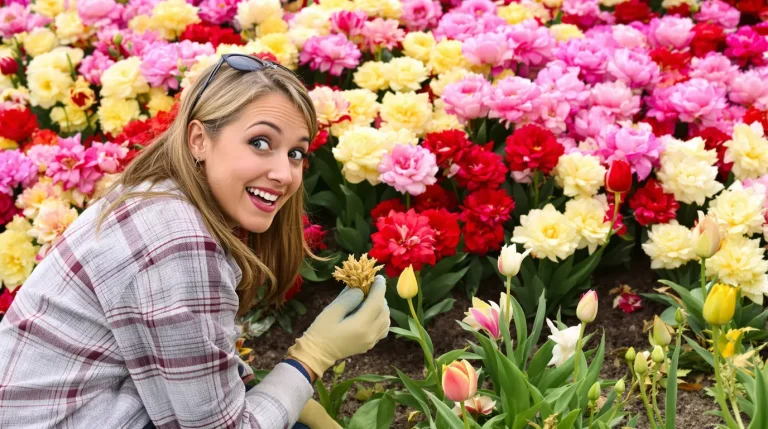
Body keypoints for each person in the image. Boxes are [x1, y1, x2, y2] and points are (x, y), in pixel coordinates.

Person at [0, 54, 391, 429]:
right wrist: (313, 357)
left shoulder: (156, 193)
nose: (284, 174)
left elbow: (191, 360)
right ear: (199, 139)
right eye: (260, 142)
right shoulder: (178, 242)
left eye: (295, 152)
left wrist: (273, 390)